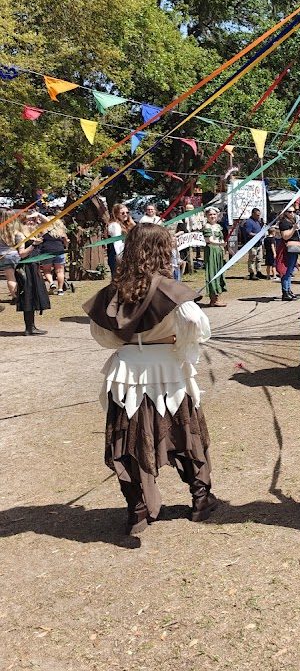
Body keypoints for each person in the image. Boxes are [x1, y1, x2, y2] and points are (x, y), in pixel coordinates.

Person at [83, 224, 215, 535]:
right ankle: (199, 499)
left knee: (128, 440)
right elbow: (197, 324)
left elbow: (103, 335)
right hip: (168, 371)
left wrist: (132, 348)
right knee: (186, 435)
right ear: (162, 251)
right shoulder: (169, 291)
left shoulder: (115, 293)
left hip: (128, 372)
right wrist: (179, 347)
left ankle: (138, 510)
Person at [9, 213, 50, 335]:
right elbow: (21, 254)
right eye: (29, 221)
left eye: (33, 221)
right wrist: (33, 245)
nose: (32, 223)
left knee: (34, 296)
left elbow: (48, 223)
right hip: (25, 269)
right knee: (28, 297)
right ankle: (28, 328)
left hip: (34, 267)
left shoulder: (34, 233)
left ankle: (32, 326)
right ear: (22, 223)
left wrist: (38, 214)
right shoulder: (20, 235)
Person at [200, 206, 227, 307]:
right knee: (212, 272)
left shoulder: (218, 226)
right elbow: (209, 240)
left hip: (218, 251)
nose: (212, 216)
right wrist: (220, 244)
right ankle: (213, 298)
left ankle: (218, 297)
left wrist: (222, 245)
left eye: (214, 214)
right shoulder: (207, 226)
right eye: (210, 214)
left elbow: (220, 239)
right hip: (211, 250)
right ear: (206, 216)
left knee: (219, 272)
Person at [38, 217, 70, 295]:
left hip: (46, 251)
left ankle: (51, 283)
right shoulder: (61, 231)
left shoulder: (43, 230)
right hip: (59, 251)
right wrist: (66, 245)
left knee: (46, 270)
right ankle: (60, 289)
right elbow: (66, 241)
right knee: (60, 271)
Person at [277, 210, 300, 301]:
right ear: (285, 212)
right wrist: (293, 229)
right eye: (290, 211)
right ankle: (285, 292)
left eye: (293, 211)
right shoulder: (283, 223)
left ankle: (288, 290)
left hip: (294, 248)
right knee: (286, 271)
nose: (292, 213)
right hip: (288, 249)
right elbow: (285, 236)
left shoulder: (291, 221)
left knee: (290, 271)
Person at [106, 203, 135, 277]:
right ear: (116, 214)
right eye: (122, 213)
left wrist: (132, 223)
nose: (125, 214)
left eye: (127, 212)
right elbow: (117, 244)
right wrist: (121, 260)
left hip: (126, 255)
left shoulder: (126, 224)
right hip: (117, 256)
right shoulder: (115, 225)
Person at [240, 207, 267, 280]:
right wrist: (258, 235)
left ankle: (259, 272)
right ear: (253, 214)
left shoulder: (258, 221)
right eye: (257, 215)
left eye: (259, 215)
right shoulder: (249, 222)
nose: (259, 216)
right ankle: (252, 273)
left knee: (259, 259)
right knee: (252, 259)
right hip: (252, 244)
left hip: (259, 243)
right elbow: (248, 233)